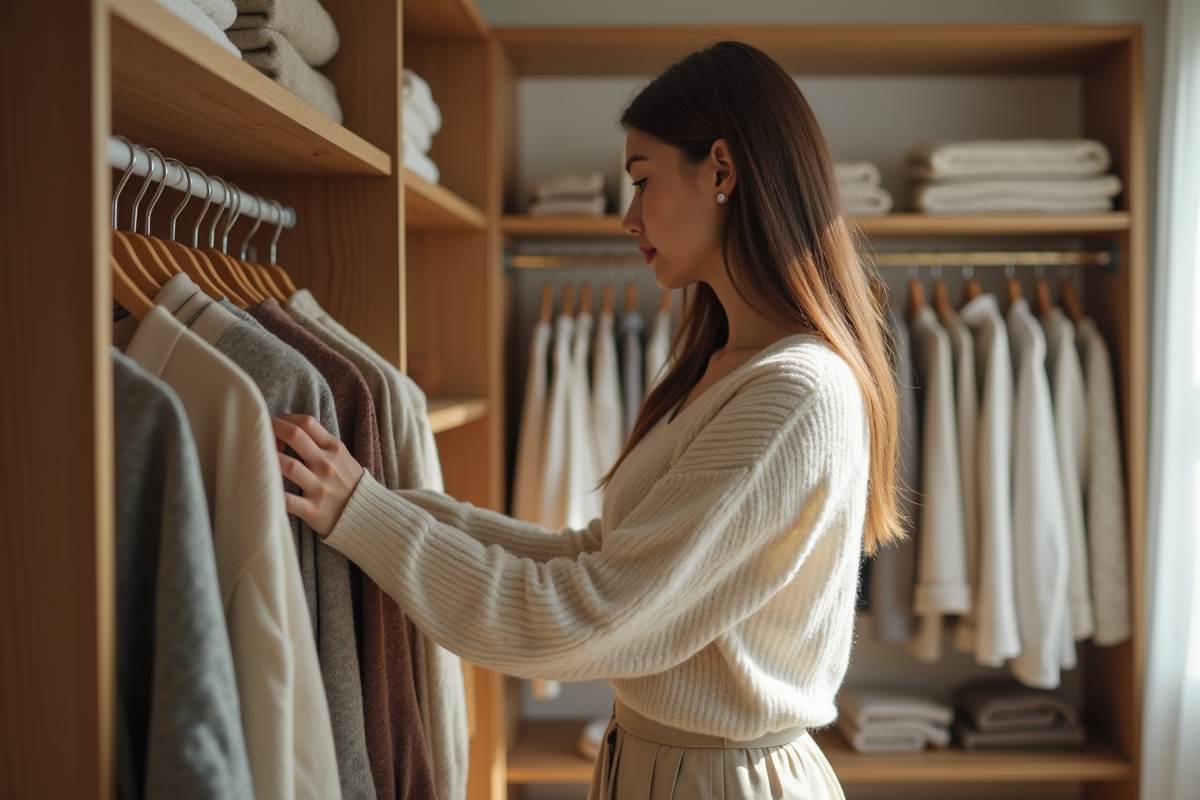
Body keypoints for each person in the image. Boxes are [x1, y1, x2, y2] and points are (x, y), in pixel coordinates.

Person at [272, 40, 902, 800]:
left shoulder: (797, 393)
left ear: (723, 171)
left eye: (641, 181)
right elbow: (595, 557)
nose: (628, 217)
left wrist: (365, 515)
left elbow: (577, 618)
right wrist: (393, 508)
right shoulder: (724, 367)